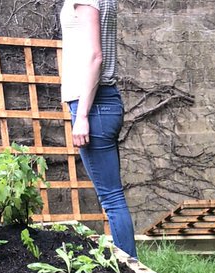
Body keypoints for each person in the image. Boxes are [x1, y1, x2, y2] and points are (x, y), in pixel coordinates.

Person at [60, 0, 137, 257]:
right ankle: (132, 271)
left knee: (112, 199)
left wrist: (81, 115)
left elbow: (96, 56)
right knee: (113, 197)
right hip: (103, 103)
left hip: (93, 106)